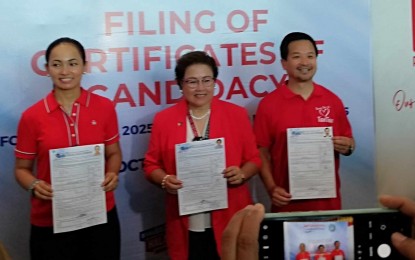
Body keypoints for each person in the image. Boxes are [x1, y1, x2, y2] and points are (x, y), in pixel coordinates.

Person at [143, 50, 261, 260]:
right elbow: (151, 166)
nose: (200, 88)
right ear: (180, 84)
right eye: (192, 81)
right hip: (185, 218)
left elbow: (254, 160)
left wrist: (242, 174)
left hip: (231, 214)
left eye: (207, 80)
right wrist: (165, 180)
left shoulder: (236, 114)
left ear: (215, 82)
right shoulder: (164, 119)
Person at [14, 37, 122, 260]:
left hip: (99, 214)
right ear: (47, 69)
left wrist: (112, 172)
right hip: (50, 220)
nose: (65, 71)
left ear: (84, 66)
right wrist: (34, 184)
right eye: (57, 64)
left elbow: (113, 152)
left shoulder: (104, 107)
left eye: (73, 63)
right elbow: (21, 169)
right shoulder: (32, 117)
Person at [254, 32, 355, 212]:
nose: (305, 62)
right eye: (296, 57)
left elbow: (350, 142)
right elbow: (261, 152)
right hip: (287, 205)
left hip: (328, 207)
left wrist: (348, 146)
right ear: (284, 63)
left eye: (310, 56)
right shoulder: (269, 105)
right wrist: (271, 188)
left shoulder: (332, 100)